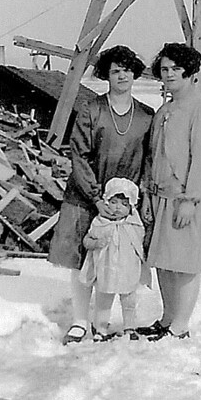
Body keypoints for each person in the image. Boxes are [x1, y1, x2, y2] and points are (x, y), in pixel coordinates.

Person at [48, 45, 154, 345]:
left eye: (127, 70)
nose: (122, 76)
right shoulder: (91, 110)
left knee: (117, 258)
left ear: (135, 73)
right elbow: (78, 156)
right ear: (106, 75)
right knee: (83, 258)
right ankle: (81, 321)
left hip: (123, 202)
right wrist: (96, 198)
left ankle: (107, 321)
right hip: (87, 194)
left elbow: (147, 160)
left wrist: (134, 199)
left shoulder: (146, 115)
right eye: (115, 71)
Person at [137, 42, 201, 341]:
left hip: (185, 200)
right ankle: (167, 318)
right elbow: (152, 157)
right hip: (160, 197)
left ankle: (180, 325)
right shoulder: (165, 110)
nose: (169, 74)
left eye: (176, 69)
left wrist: (190, 200)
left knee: (184, 263)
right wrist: (147, 195)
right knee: (164, 262)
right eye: (165, 69)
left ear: (191, 73)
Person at [80, 178, 147, 342]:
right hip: (107, 268)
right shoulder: (100, 222)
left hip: (127, 268)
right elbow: (87, 241)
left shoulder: (133, 224)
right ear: (106, 201)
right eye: (113, 202)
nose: (117, 207)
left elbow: (140, 243)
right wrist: (97, 243)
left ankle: (130, 327)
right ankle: (100, 327)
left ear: (132, 207)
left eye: (124, 204)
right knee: (103, 300)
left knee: (129, 300)